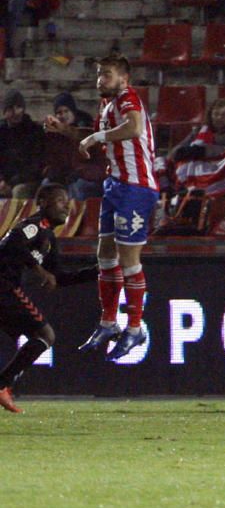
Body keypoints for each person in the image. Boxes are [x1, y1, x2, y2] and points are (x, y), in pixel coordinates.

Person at [45, 54, 159, 360]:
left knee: (129, 260)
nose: (100, 80)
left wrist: (98, 135)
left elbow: (134, 128)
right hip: (115, 186)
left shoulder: (128, 98)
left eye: (106, 75)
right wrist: (64, 131)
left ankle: (135, 328)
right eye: (98, 75)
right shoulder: (107, 105)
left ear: (124, 79)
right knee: (105, 256)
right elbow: (94, 140)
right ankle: (109, 322)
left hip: (137, 187)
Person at [0, 184, 97, 414]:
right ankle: (3, 383)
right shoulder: (33, 226)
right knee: (44, 334)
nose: (67, 206)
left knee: (39, 336)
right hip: (3, 286)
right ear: (43, 202)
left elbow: (59, 277)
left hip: (5, 288)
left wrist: (99, 272)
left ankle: (4, 383)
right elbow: (13, 244)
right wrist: (40, 272)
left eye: (68, 201)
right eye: (61, 201)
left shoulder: (49, 239)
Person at [41, 92, 103, 201]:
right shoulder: (54, 136)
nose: (63, 115)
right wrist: (53, 173)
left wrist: (81, 172)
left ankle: (74, 217)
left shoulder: (87, 130)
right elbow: (51, 160)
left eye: (66, 111)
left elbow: (99, 163)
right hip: (65, 177)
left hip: (88, 178)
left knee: (77, 187)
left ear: (73, 112)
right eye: (59, 113)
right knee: (46, 185)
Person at [0, 89, 46, 199]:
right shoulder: (2, 132)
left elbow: (35, 165)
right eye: (11, 108)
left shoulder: (34, 131)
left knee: (18, 191)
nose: (15, 112)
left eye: (18, 107)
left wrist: (10, 184)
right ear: (5, 112)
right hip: (4, 181)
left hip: (27, 181)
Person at [169, 98, 225, 162]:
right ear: (210, 116)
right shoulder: (199, 131)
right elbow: (179, 148)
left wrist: (203, 151)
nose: (219, 118)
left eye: (224, 115)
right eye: (216, 114)